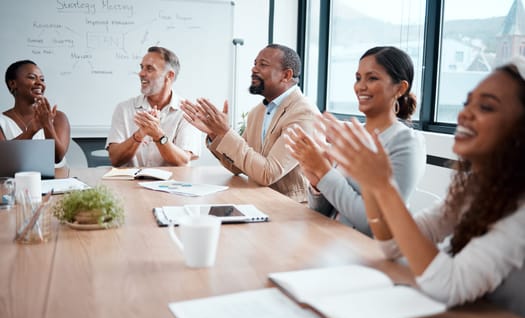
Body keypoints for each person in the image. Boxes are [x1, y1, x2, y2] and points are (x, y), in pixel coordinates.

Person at [322, 57, 525, 317]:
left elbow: (448, 285)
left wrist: (382, 186)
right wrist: (373, 185)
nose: (464, 114)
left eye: (486, 107)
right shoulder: (476, 189)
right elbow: (392, 246)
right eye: (466, 103)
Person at [285, 46, 426, 236]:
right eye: (358, 78)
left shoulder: (406, 141)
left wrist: (324, 172)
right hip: (331, 243)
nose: (361, 86)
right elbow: (323, 212)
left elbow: (376, 225)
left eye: (372, 78)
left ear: (400, 88)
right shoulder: (352, 134)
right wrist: (316, 184)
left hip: (366, 252)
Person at [181, 44, 319, 202]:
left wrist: (226, 133)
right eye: (255, 64)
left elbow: (268, 173)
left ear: (286, 75)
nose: (254, 69)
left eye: (263, 64)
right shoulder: (257, 112)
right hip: (257, 201)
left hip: (289, 209)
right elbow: (237, 166)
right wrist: (215, 133)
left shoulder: (304, 114)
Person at [106, 46, 201, 167]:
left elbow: (182, 161)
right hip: (130, 185)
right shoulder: (124, 109)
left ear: (169, 75)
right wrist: (139, 135)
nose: (141, 73)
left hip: (172, 185)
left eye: (149, 69)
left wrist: (158, 135)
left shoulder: (187, 112)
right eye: (141, 67)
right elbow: (115, 159)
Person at [1, 60, 70, 163]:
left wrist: (47, 124)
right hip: (15, 179)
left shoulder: (58, 117)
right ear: (12, 83)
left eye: (42, 79)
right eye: (32, 77)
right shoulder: (2, 121)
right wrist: (32, 130)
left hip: (55, 178)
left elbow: (57, 158)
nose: (39, 83)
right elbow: (3, 157)